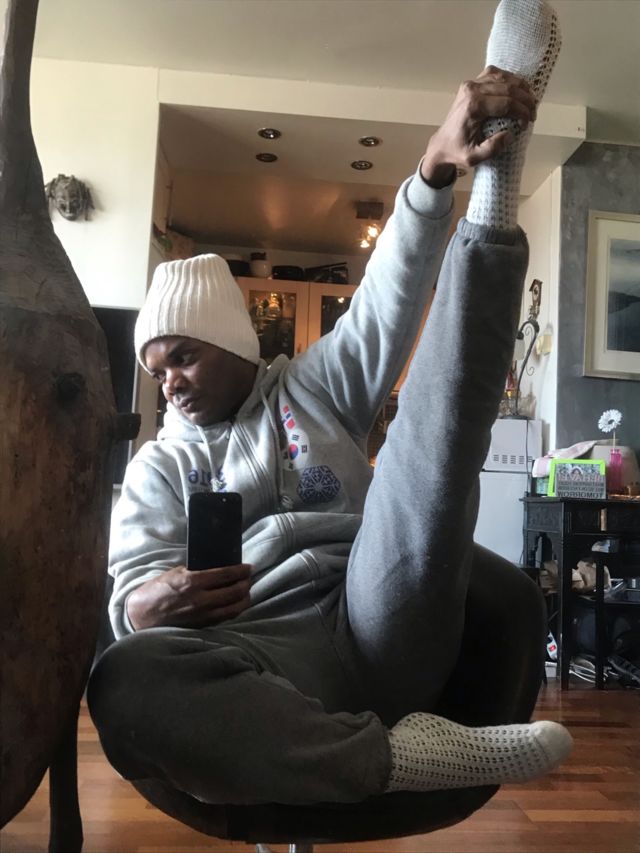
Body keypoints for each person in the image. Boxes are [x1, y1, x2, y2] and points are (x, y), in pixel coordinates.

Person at [89, 0, 572, 805]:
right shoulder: (157, 469)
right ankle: (396, 758)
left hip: (385, 608)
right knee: (123, 681)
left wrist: (433, 171)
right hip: (259, 661)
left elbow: (386, 300)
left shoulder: (312, 386)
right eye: (157, 368)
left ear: (236, 345)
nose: (168, 381)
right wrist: (146, 604)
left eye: (185, 355)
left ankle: (495, 189)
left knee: (426, 442)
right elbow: (128, 594)